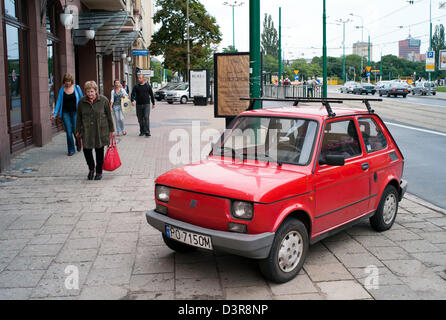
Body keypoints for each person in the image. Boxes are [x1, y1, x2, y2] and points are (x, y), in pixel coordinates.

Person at [75, 81, 115, 181]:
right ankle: (91, 169)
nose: (90, 94)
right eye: (88, 92)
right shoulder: (81, 102)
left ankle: (99, 171)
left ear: (96, 91)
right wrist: (78, 130)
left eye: (92, 91)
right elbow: (78, 118)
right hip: (87, 131)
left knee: (99, 151)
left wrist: (112, 129)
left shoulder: (103, 100)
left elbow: (109, 116)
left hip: (100, 130)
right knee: (87, 151)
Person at [51, 73, 83, 156]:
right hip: (65, 113)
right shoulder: (62, 89)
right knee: (68, 132)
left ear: (71, 81)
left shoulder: (76, 88)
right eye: (66, 81)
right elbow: (58, 102)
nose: (67, 83)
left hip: (75, 112)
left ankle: (78, 143)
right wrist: (55, 114)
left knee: (75, 131)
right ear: (64, 81)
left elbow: (82, 99)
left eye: (69, 81)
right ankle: (71, 150)